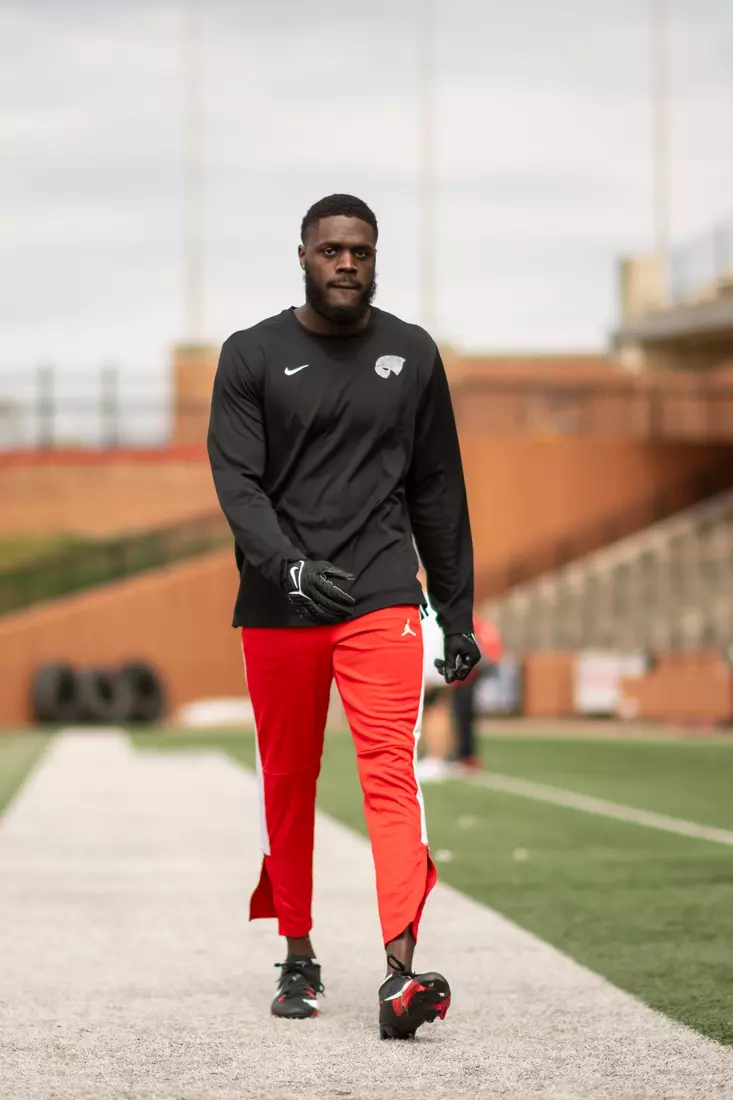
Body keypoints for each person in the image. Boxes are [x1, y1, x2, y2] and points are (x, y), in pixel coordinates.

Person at [207, 193, 480, 1039]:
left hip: (381, 593)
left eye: (360, 251)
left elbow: (437, 487)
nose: (347, 263)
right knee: (288, 780)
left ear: (374, 256)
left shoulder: (412, 352)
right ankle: (297, 953)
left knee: (390, 773)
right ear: (302, 255)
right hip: (278, 601)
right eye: (331, 250)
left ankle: (400, 974)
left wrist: (457, 612)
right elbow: (237, 482)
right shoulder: (250, 354)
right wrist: (286, 565)